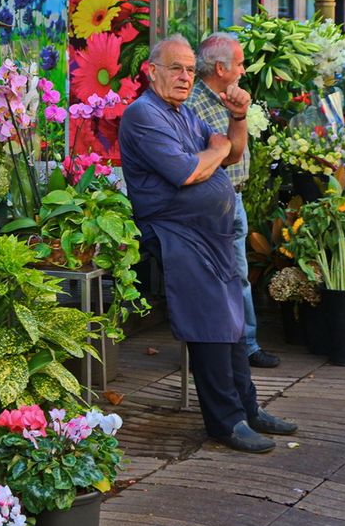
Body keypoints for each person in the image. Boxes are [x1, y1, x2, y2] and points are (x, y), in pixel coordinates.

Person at [118, 34, 297, 454]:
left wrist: (235, 121)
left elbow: (231, 153)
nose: (184, 77)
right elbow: (184, 173)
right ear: (152, 71)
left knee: (233, 324)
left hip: (209, 235)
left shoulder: (181, 113)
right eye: (175, 68)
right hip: (175, 234)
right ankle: (225, 421)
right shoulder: (144, 115)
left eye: (188, 69)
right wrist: (214, 150)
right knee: (211, 327)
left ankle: (247, 409)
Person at [187, 33, 280, 369]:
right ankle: (242, 346)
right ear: (221, 67)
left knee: (238, 275)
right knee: (230, 275)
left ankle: (243, 344)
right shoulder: (195, 103)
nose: (243, 70)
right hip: (214, 203)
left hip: (234, 197)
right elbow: (222, 156)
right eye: (239, 63)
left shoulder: (229, 97)